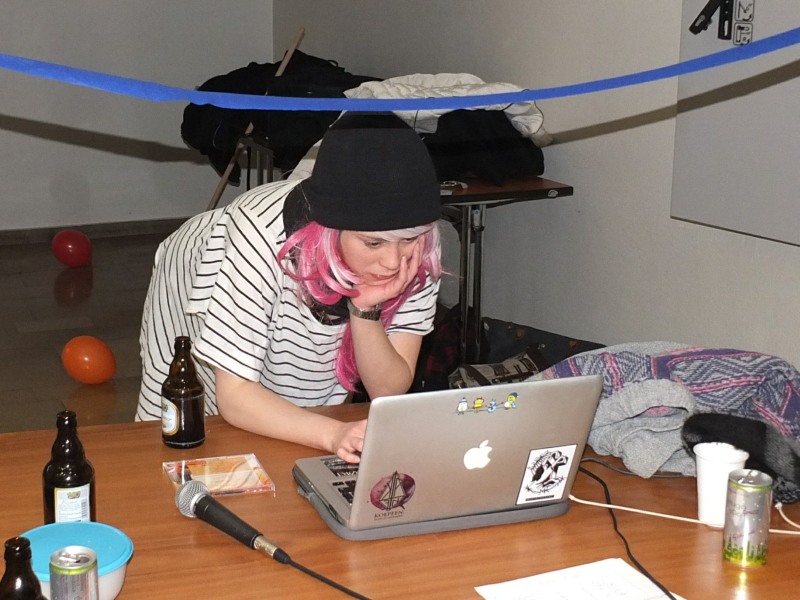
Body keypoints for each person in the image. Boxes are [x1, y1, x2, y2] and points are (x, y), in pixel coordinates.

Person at [136, 112, 443, 463]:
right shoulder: (257, 238)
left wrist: (365, 311)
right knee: (184, 418)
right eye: (373, 244)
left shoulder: (416, 248)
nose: (393, 262)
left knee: (303, 421)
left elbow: (387, 389)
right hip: (199, 267)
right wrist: (331, 434)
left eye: (408, 240)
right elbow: (235, 395)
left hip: (304, 275)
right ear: (332, 230)